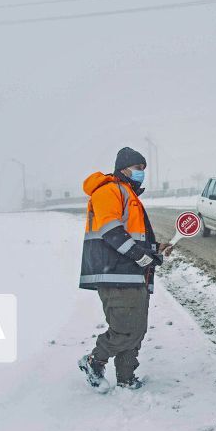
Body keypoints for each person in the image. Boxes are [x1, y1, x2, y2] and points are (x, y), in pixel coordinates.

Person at [77, 147, 173, 392]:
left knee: (136, 329)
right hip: (115, 274)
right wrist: (141, 257)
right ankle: (93, 361)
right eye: (138, 168)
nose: (142, 173)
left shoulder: (128, 194)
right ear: (124, 168)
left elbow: (133, 235)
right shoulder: (109, 190)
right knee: (124, 330)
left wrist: (154, 248)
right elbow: (111, 231)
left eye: (143, 169)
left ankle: (126, 378)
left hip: (130, 274)